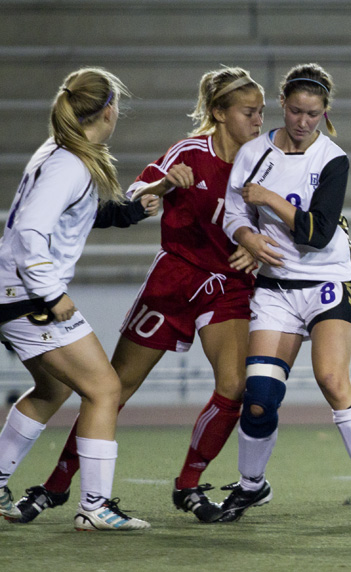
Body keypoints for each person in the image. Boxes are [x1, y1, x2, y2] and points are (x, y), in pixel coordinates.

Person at [13, 66, 265, 524]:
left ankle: (188, 484)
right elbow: (134, 198)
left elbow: (283, 220)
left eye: (261, 111)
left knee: (232, 387)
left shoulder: (266, 160)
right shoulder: (189, 151)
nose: (258, 120)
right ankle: (56, 488)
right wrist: (162, 186)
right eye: (249, 111)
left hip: (228, 285)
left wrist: (261, 252)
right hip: (175, 279)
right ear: (218, 113)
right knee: (113, 387)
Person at [221, 63, 351, 524]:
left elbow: (316, 235)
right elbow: (233, 212)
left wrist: (271, 201)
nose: (303, 122)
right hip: (276, 289)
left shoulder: (332, 159)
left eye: (313, 114)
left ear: (324, 113)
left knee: (332, 380)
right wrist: (247, 238)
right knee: (258, 398)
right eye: (296, 111)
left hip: (328, 281)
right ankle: (251, 486)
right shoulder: (253, 152)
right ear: (282, 105)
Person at [0, 67, 151, 530]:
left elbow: (71, 215)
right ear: (109, 110)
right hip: (28, 296)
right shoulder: (70, 162)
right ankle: (96, 506)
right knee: (105, 389)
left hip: (11, 294)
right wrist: (50, 292)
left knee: (54, 389)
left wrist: (129, 211)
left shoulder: (61, 151)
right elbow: (30, 230)